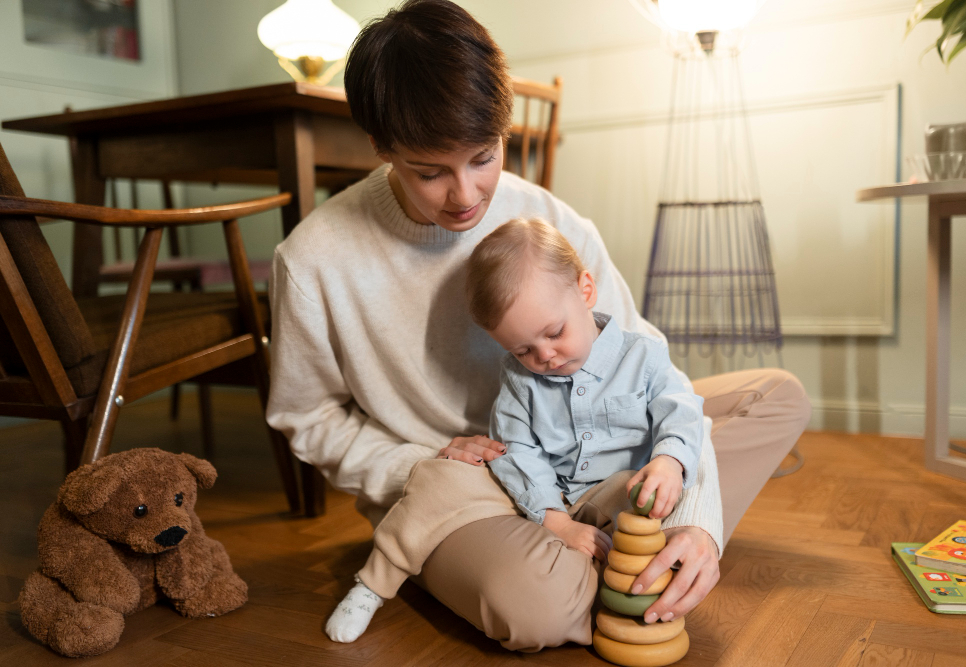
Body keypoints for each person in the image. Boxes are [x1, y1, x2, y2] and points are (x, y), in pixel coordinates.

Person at [266, 0, 811, 652]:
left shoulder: (553, 223)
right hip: (465, 488)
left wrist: (699, 521)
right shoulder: (313, 259)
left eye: (483, 156)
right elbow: (307, 416)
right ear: (382, 148)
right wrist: (415, 462)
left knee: (776, 396)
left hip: (598, 448)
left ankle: (646, 543)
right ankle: (602, 555)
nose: (466, 195)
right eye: (430, 171)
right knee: (539, 608)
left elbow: (647, 364)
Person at [325, 218, 707, 642]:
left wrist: (669, 461)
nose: (545, 356)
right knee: (438, 478)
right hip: (539, 494)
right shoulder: (518, 379)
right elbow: (518, 450)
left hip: (613, 493)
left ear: (585, 290)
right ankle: (372, 586)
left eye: (555, 332)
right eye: (522, 349)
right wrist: (555, 521)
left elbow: (683, 412)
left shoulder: (645, 356)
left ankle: (613, 583)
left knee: (653, 495)